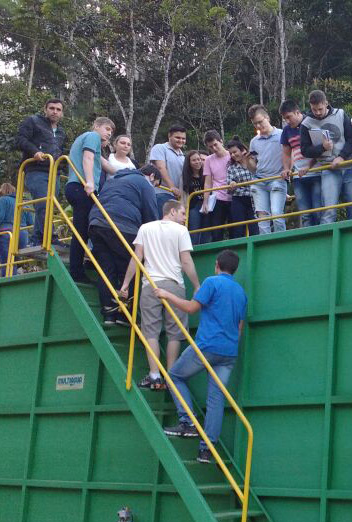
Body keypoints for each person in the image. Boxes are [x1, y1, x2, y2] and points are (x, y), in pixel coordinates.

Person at [156, 249, 247, 464]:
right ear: (234, 269)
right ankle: (207, 450)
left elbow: (190, 308)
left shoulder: (211, 282)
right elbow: (240, 327)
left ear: (217, 264)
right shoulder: (240, 292)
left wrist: (167, 295)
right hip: (229, 352)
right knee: (216, 399)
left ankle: (187, 421)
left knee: (174, 376)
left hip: (207, 346)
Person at [118, 200, 200, 391]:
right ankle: (170, 375)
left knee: (150, 331)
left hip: (150, 285)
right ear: (172, 211)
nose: (185, 218)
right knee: (175, 332)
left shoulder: (145, 228)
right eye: (182, 214)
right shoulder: (181, 231)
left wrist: (126, 284)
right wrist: (196, 285)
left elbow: (137, 257)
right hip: (174, 285)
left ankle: (154, 375)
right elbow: (186, 261)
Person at [87, 164, 160, 325]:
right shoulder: (144, 183)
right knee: (132, 266)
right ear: (152, 177)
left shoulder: (113, 181)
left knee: (106, 268)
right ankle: (126, 313)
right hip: (122, 225)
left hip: (96, 223)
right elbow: (151, 214)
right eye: (156, 185)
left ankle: (108, 313)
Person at [65, 117, 117, 283]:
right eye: (107, 129)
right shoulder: (92, 136)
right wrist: (90, 182)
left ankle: (85, 264)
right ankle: (77, 271)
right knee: (82, 231)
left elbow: (109, 167)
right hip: (81, 187)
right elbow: (87, 158)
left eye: (111, 131)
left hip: (78, 187)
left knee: (86, 229)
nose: (109, 134)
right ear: (96, 126)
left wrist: (131, 173)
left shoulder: (92, 144)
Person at [299, 90, 352, 225]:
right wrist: (322, 148)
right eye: (314, 110)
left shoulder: (341, 114)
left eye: (320, 109)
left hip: (349, 166)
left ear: (326, 103)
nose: (318, 112)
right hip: (328, 169)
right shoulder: (306, 123)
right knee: (329, 210)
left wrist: (342, 157)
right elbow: (305, 150)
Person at [15, 98, 67, 247]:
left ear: (62, 113)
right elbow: (20, 140)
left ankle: (37, 239)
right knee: (43, 203)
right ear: (45, 109)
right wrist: (35, 151)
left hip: (54, 172)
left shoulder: (62, 132)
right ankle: (51, 237)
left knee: (48, 205)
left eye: (58, 109)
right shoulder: (33, 121)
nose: (55, 112)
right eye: (52, 108)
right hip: (36, 170)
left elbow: (60, 150)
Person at [280, 100, 321, 227]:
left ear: (297, 112)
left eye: (289, 117)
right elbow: (286, 153)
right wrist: (286, 168)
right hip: (299, 176)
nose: (287, 121)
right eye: (284, 118)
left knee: (318, 211)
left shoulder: (311, 123)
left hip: (316, 173)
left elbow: (319, 149)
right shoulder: (287, 131)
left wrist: (309, 167)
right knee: (305, 214)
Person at [247, 105, 287, 233]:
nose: (258, 126)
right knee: (262, 222)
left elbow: (289, 155)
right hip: (259, 181)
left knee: (276, 216)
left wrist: (288, 170)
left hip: (277, 179)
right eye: (255, 124)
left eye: (260, 122)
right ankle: (265, 248)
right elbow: (253, 169)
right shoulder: (254, 141)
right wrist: (247, 161)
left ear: (267, 118)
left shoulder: (282, 134)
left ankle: (282, 243)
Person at [0, 183, 33, 277]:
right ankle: (14, 277)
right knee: (14, 260)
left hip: (7, 233)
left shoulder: (3, 199)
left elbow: (0, 217)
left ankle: (7, 282)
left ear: (2, 192)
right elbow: (31, 222)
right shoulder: (23, 202)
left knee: (6, 261)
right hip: (22, 234)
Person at [222, 136, 259, 239]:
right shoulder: (231, 168)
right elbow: (229, 187)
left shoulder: (253, 161)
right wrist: (232, 184)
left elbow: (260, 175)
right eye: (231, 153)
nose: (233, 155)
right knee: (238, 227)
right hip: (239, 198)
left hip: (254, 197)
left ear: (242, 150)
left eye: (235, 152)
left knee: (254, 226)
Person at [201, 130, 231, 241]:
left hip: (234, 195)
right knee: (216, 230)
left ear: (221, 141)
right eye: (210, 147)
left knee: (236, 227)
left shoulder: (232, 155)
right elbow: (207, 182)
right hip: (218, 197)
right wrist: (205, 201)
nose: (214, 148)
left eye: (215, 144)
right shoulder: (209, 160)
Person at [149, 125, 188, 199]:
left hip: (177, 196)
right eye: (177, 137)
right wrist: (172, 187)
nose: (181, 140)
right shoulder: (160, 148)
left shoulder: (182, 156)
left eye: (183, 138)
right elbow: (160, 167)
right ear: (169, 136)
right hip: (161, 193)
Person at [181, 150, 209, 245]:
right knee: (194, 231)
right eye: (194, 160)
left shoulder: (206, 174)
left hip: (206, 205)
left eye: (199, 159)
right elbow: (183, 194)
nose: (197, 162)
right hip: (193, 207)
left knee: (207, 231)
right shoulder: (185, 177)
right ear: (189, 163)